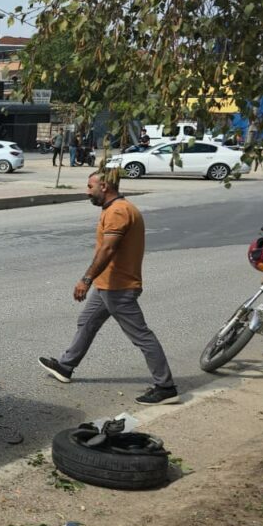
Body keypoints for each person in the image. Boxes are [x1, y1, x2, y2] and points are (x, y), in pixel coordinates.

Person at [38, 172, 179, 405]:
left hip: (119, 287)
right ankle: (65, 366)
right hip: (107, 285)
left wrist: (86, 279)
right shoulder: (115, 208)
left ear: (104, 186)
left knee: (142, 336)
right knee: (87, 322)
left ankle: (166, 387)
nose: (87, 191)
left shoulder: (118, 211)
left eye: (90, 186)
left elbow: (108, 249)